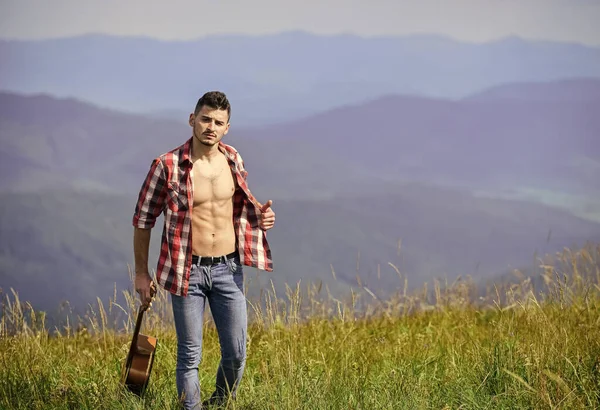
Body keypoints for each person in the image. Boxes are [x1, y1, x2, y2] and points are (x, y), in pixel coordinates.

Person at [132, 91, 275, 409]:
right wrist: (142, 274)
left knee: (237, 353)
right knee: (190, 355)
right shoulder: (166, 166)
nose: (211, 126)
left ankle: (220, 403)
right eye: (206, 119)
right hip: (187, 271)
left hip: (229, 268)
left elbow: (240, 208)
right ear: (192, 120)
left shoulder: (233, 159)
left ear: (227, 128)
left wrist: (262, 218)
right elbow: (143, 219)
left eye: (218, 122)